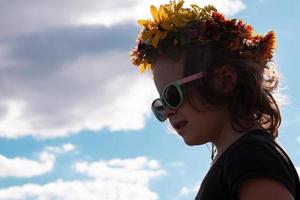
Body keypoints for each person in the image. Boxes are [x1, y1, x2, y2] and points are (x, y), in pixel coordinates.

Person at [129, 0, 300, 199]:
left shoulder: (252, 157)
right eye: (161, 104)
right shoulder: (239, 158)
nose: (167, 112)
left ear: (224, 81)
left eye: (173, 95)